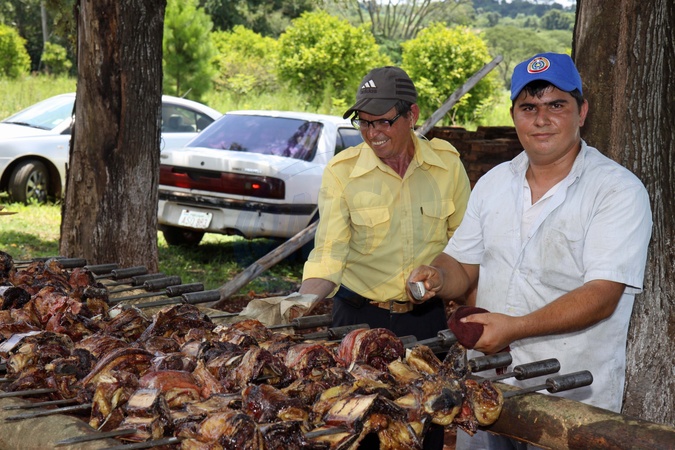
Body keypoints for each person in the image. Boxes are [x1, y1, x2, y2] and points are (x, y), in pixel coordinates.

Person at [407, 53, 653, 450]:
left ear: (582, 112)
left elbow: (602, 295)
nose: (542, 119)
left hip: (570, 397)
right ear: (514, 115)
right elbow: (461, 265)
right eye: (529, 108)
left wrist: (515, 328)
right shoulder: (494, 183)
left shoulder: (616, 190)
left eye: (556, 106)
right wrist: (437, 275)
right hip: (488, 388)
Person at [299, 66, 471, 450]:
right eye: (364, 122)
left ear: (412, 115)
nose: (373, 132)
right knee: (357, 428)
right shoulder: (343, 172)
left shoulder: (446, 165)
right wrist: (300, 301)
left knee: (423, 428)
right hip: (359, 320)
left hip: (424, 321)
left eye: (383, 122)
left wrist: (450, 285)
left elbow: (465, 245)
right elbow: (328, 252)